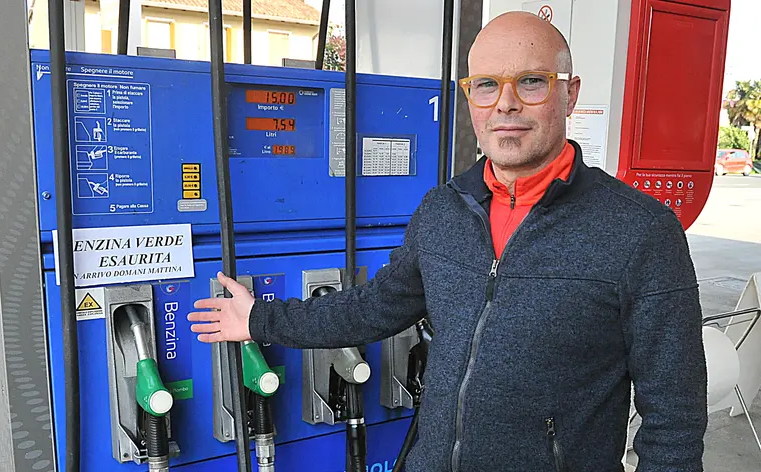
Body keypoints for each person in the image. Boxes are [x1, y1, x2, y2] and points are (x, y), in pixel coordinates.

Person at [188, 11, 707, 472]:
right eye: (486, 85)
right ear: (469, 96)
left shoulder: (640, 232)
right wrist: (261, 319)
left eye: (531, 82)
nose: (506, 104)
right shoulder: (445, 209)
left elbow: (675, 418)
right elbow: (374, 307)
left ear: (569, 93)